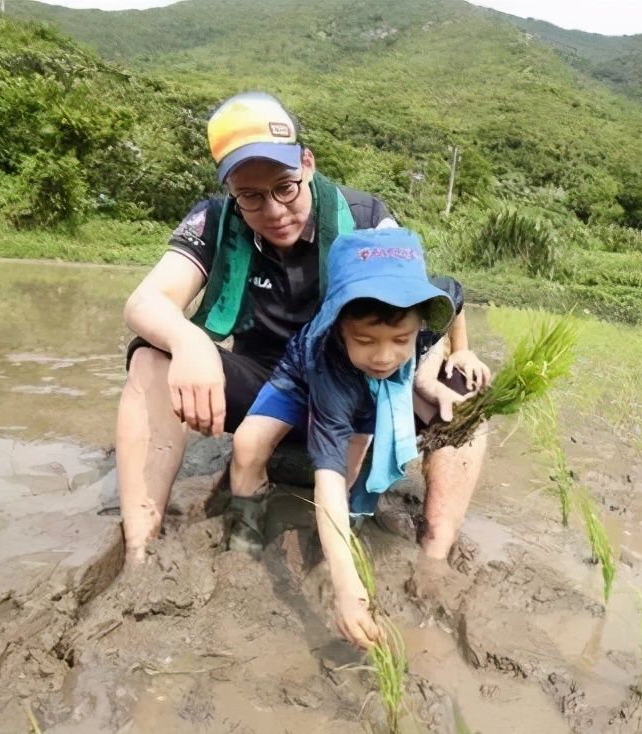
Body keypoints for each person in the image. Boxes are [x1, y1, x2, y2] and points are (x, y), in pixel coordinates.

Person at [115, 91, 490, 572]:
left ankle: (434, 557)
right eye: (250, 195)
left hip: (353, 387)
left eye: (284, 187)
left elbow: (412, 307)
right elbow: (145, 302)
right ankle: (139, 550)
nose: (273, 209)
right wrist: (190, 341)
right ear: (230, 188)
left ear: (307, 164)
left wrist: (447, 359)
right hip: (266, 389)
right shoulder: (213, 219)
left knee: (469, 392)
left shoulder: (365, 220)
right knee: (151, 355)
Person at [230, 227, 465, 648]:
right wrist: (348, 590)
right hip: (300, 378)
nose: (384, 356)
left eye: (400, 340)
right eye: (365, 340)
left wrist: (461, 349)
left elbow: (456, 294)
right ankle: (245, 533)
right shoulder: (329, 368)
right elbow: (328, 479)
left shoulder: (423, 317)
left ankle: (346, 538)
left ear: (418, 325)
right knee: (248, 446)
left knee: (355, 458)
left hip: (360, 394)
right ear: (339, 326)